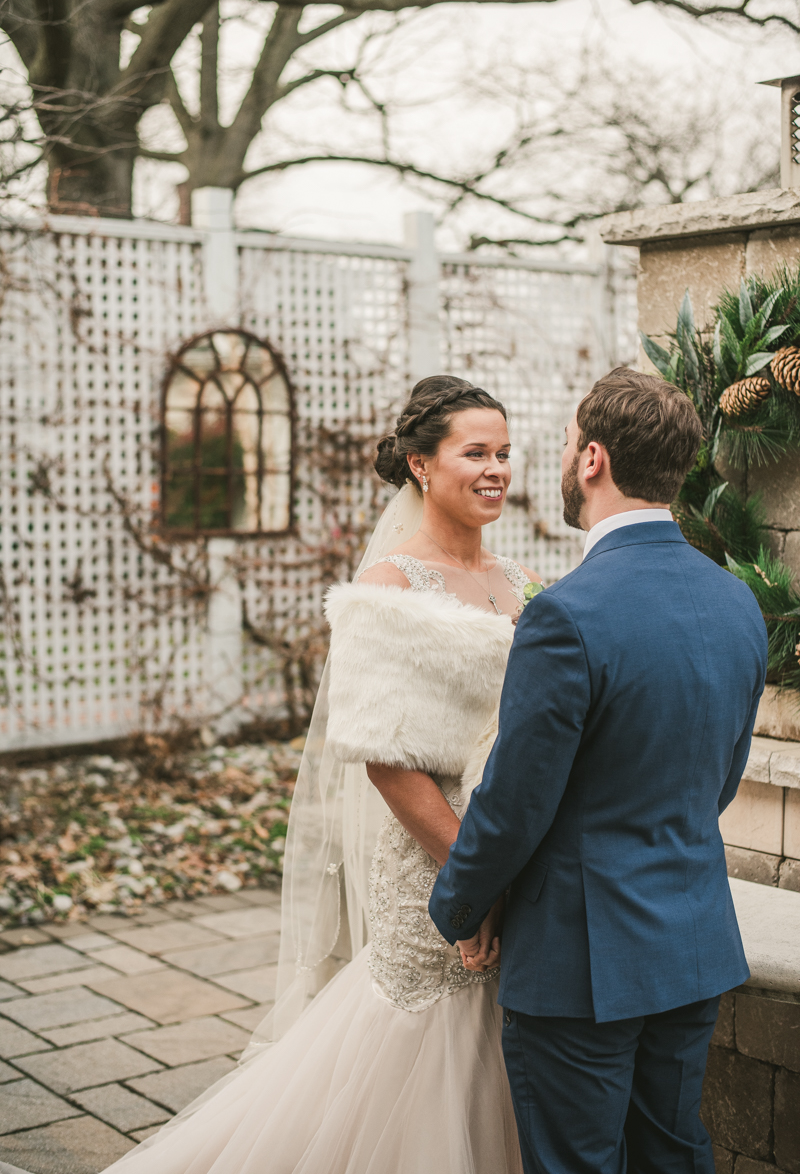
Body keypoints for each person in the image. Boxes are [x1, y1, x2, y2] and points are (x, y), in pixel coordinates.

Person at [103, 375, 538, 1174]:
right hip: (440, 866)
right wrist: (477, 881)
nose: (496, 469)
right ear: (419, 464)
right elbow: (388, 763)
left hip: (517, 857)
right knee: (420, 1052)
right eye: (474, 451)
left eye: (504, 452)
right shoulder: (388, 587)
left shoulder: (515, 577)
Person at [429, 367, 768, 1174]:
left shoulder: (566, 614)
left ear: (592, 459)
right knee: (674, 1150)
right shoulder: (736, 601)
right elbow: (718, 779)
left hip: (581, 962)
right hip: (692, 942)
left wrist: (461, 901)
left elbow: (516, 802)